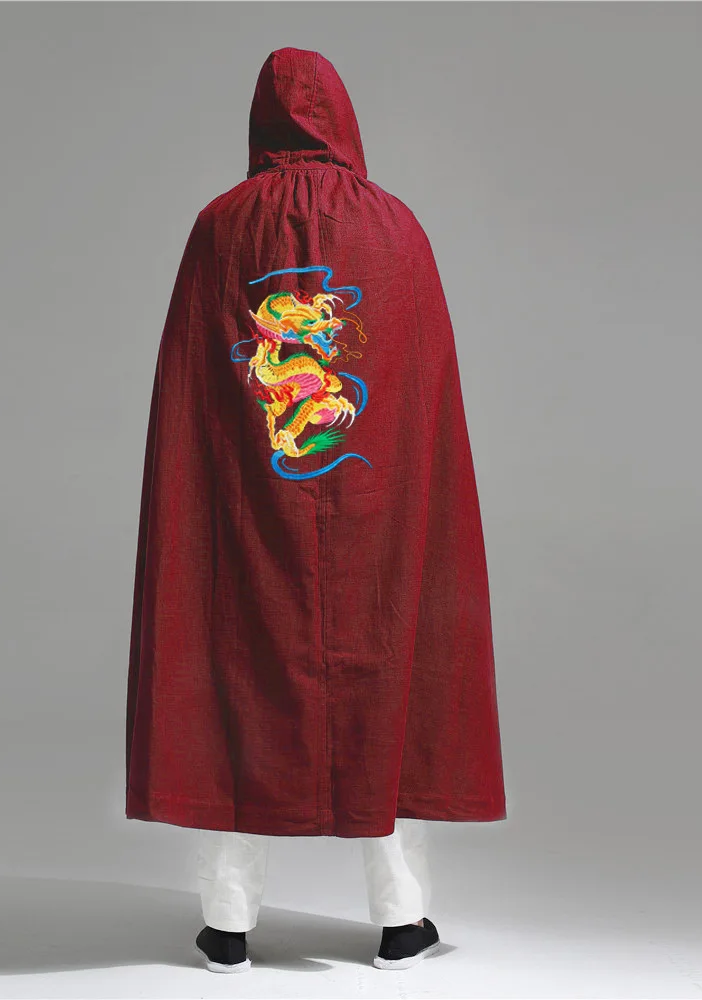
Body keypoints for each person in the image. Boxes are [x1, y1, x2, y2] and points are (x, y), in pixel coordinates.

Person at [125, 47, 507, 973]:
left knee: (236, 676)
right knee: (390, 674)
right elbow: (421, 388)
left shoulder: (220, 226)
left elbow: (193, 390)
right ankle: (402, 920)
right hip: (378, 500)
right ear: (343, 117)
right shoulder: (396, 225)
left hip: (249, 506)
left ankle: (227, 924)